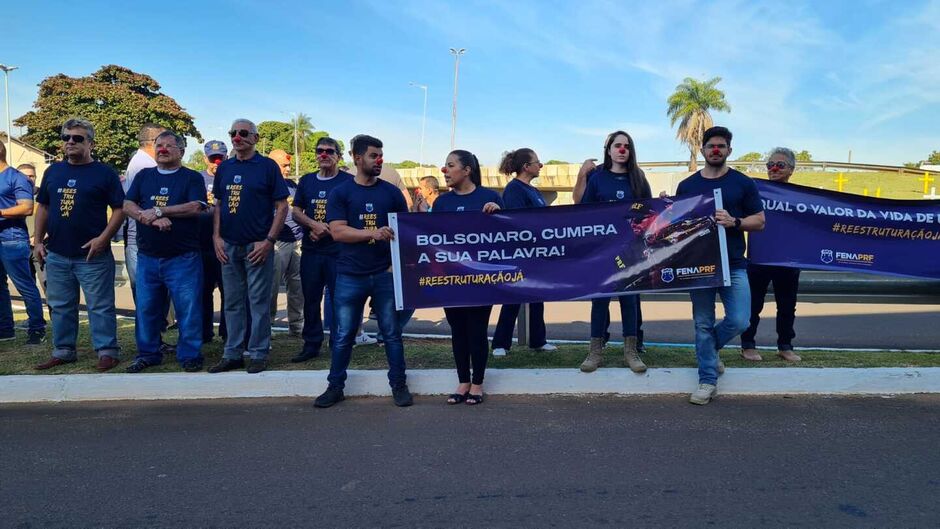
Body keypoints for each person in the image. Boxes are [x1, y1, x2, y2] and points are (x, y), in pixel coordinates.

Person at [314, 134, 412, 408]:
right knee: (343, 334)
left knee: (391, 333)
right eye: (373, 155)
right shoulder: (341, 192)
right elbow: (337, 231)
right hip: (349, 275)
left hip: (384, 274)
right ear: (357, 158)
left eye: (381, 155)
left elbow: (405, 228)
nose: (379, 161)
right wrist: (374, 232)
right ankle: (335, 387)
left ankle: (399, 385)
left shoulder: (391, 193)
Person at [672, 126, 765, 405]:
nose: (715, 150)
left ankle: (708, 353)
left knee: (739, 319)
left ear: (728, 151)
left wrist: (734, 221)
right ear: (702, 150)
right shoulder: (687, 186)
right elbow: (677, 226)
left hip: (734, 263)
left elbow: (759, 221)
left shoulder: (742, 183)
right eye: (711, 146)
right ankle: (707, 380)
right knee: (703, 322)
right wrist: (664, 207)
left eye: (721, 146)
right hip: (699, 265)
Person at [33, 118, 125, 371]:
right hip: (58, 252)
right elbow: (43, 207)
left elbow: (119, 209)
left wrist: (103, 238)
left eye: (77, 138)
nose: (70, 142)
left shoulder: (104, 173)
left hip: (92, 254)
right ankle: (63, 350)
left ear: (91, 143)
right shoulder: (53, 172)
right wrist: (38, 242)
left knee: (100, 305)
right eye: (66, 138)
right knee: (61, 306)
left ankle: (107, 351)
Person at [122, 131, 207, 373]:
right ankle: (148, 353)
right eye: (159, 145)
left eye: (170, 146)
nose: (163, 149)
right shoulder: (143, 176)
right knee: (147, 308)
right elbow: (128, 205)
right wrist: (148, 218)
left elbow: (195, 206)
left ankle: (190, 354)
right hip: (148, 256)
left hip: (183, 257)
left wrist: (160, 211)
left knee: (187, 308)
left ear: (181, 151)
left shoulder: (191, 178)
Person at [209, 119, 289, 374]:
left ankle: (258, 352)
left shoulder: (267, 167)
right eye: (233, 133)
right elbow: (219, 205)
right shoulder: (225, 168)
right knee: (231, 302)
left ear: (255, 138)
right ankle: (232, 352)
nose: (237, 137)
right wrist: (216, 237)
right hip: (229, 245)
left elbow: (282, 206)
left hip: (257, 246)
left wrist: (269, 241)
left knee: (258, 302)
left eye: (243, 133)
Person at [575, 131, 652, 373]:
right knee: (600, 302)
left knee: (630, 301)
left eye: (626, 146)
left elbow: (650, 213)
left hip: (630, 251)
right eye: (617, 145)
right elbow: (585, 213)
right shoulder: (597, 179)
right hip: (602, 252)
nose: (622, 149)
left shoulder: (638, 178)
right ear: (608, 150)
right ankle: (595, 352)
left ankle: (631, 351)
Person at [434, 150, 502, 405]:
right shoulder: (441, 203)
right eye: (445, 165)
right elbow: (430, 239)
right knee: (458, 331)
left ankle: (477, 383)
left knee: (477, 330)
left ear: (467, 170)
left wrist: (498, 212)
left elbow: (509, 233)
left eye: (450, 165)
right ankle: (463, 381)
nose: (445, 171)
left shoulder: (490, 197)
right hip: (451, 279)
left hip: (480, 279)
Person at [490, 148, 557, 356]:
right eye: (537, 162)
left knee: (537, 296)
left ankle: (538, 340)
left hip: (536, 253)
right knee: (513, 298)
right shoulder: (514, 189)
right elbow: (515, 221)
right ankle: (501, 344)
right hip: (519, 253)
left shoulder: (534, 191)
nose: (541, 165)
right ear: (526, 167)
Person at [290, 137, 352, 363]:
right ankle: (311, 343)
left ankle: (339, 343)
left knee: (339, 300)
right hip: (311, 250)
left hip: (338, 251)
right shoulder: (306, 181)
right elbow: (296, 211)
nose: (324, 155)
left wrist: (327, 230)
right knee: (311, 299)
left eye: (329, 151)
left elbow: (352, 214)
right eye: (320, 151)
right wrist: (313, 225)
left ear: (338, 156)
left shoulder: (348, 181)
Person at [740, 147, 801, 362]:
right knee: (753, 305)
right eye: (770, 165)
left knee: (786, 306)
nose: (774, 168)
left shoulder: (800, 196)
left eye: (780, 165)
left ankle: (785, 345)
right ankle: (747, 345)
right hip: (759, 257)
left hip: (788, 259)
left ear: (791, 170)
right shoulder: (754, 190)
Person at [0, 144, 45, 344]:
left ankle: (37, 328)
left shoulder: (16, 177)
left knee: (24, 285)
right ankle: (5, 329)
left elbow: (27, 207)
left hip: (12, 239)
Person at [123, 123, 166, 298]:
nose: (166, 146)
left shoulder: (142, 161)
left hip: (142, 234)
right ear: (154, 141)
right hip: (141, 235)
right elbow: (134, 203)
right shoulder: (144, 165)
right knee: (147, 294)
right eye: (163, 141)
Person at [266, 149, 304, 336]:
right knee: (271, 287)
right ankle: (268, 325)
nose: (288, 168)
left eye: (289, 165)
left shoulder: (292, 184)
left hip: (297, 240)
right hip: (276, 241)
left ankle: (296, 325)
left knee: (297, 287)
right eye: (284, 165)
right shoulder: (266, 184)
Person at [198, 140, 228, 343]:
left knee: (229, 291)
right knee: (203, 291)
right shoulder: (197, 179)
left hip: (225, 243)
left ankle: (227, 332)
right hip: (201, 243)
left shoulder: (231, 177)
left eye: (220, 158)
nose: (216, 162)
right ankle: (204, 332)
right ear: (205, 158)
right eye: (212, 158)